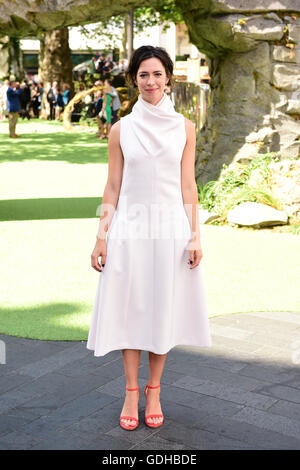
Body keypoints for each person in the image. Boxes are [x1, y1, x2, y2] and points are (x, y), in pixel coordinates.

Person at [87, 45, 212, 431]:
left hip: (171, 230)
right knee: (130, 308)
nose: (151, 81)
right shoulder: (121, 129)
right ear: (134, 80)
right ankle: (129, 390)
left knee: (162, 308)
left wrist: (194, 236)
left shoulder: (186, 129)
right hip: (129, 230)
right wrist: (101, 237)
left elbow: (188, 186)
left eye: (157, 74)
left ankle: (154, 390)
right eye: (143, 75)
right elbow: (112, 186)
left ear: (169, 78)